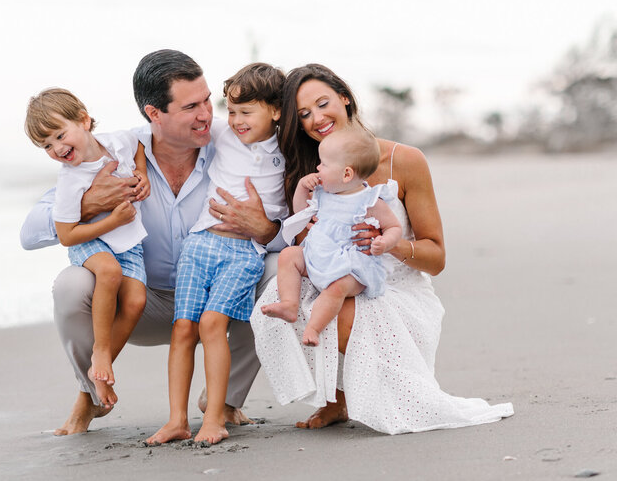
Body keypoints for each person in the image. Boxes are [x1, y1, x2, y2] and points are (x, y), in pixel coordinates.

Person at [20, 50, 285, 436]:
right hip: (139, 303)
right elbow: (29, 233)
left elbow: (295, 215)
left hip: (216, 299)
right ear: (154, 114)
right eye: (190, 106)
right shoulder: (117, 153)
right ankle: (90, 394)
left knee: (278, 271)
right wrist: (89, 201)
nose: (207, 114)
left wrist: (266, 229)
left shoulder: (236, 145)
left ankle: (225, 400)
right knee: (71, 284)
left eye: (208, 100)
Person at [250, 64, 514, 435]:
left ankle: (363, 396)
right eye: (304, 114)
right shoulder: (314, 170)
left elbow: (436, 258)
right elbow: (304, 244)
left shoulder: (403, 160)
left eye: (323, 103)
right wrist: (307, 234)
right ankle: (334, 398)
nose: (316, 119)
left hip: (394, 289)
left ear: (345, 97)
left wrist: (387, 245)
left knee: (331, 308)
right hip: (337, 274)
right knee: (280, 295)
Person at [147, 63, 287, 445]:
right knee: (183, 329)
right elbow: (160, 132)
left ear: (275, 111)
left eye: (247, 111)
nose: (236, 120)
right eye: (232, 110)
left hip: (243, 253)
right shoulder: (222, 134)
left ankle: (215, 417)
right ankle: (177, 420)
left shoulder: (288, 150)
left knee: (212, 325)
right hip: (200, 245)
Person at [24, 88, 149, 407]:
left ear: (84, 120)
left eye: (60, 135)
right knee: (108, 272)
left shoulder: (117, 141)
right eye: (46, 145)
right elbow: (67, 235)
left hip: (127, 241)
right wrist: (112, 221)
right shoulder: (70, 180)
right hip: (90, 239)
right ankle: (101, 352)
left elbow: (138, 146)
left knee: (135, 301)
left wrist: (141, 174)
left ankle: (99, 369)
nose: (57, 148)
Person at [260, 127, 401, 346]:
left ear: (346, 174)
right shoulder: (322, 194)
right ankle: (289, 304)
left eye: (324, 164)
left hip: (351, 267)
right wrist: (300, 188)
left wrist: (385, 242)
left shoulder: (370, 201)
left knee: (338, 288)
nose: (317, 168)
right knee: (289, 255)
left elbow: (394, 227)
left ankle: (314, 328)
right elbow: (301, 214)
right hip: (318, 257)